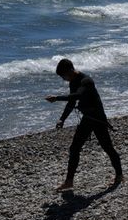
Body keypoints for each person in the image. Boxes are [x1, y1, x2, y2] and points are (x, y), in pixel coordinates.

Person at [45, 58, 123, 191]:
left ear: (70, 70)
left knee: (107, 147)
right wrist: (62, 119)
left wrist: (57, 98)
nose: (64, 79)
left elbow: (77, 96)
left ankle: (119, 176)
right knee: (74, 148)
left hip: (98, 119)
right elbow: (71, 103)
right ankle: (69, 182)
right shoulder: (73, 82)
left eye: (64, 76)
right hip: (87, 119)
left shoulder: (86, 81)